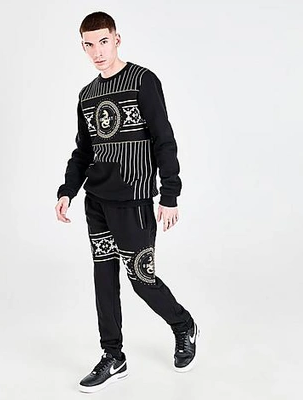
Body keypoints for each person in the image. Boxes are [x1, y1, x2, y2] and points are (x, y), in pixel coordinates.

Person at [55, 11, 200, 393]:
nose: (97, 52)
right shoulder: (87, 96)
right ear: (83, 46)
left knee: (141, 279)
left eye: (103, 41)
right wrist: (67, 191)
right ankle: (113, 356)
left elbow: (164, 139)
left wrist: (170, 194)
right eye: (89, 44)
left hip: (133, 199)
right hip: (96, 201)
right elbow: (83, 151)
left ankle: (183, 325)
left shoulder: (142, 81)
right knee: (104, 279)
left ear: (117, 39)